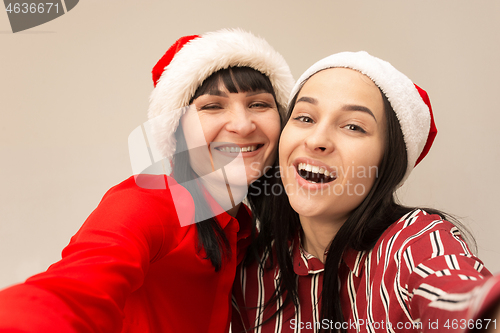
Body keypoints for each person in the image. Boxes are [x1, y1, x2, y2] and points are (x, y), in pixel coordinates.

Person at [0, 29, 294, 333]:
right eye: (212, 106)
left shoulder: (247, 234)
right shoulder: (150, 202)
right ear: (177, 132)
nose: (244, 125)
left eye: (259, 104)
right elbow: (70, 295)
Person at [232, 51, 500, 332]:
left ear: (388, 162)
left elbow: (458, 294)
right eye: (305, 118)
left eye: (353, 126)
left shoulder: (413, 243)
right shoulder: (253, 268)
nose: (316, 140)